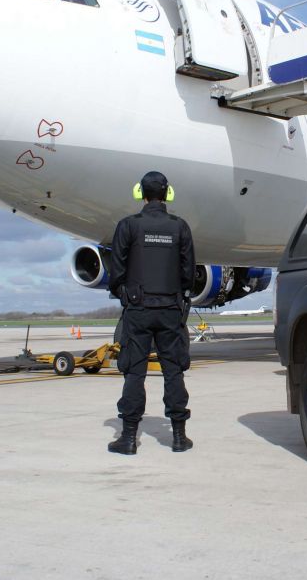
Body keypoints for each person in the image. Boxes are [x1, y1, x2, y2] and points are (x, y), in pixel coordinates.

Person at [107, 171, 195, 455]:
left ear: (140, 193)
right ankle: (179, 437)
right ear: (168, 193)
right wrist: (180, 295)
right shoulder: (180, 227)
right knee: (174, 371)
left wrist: (122, 292)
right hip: (170, 309)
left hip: (139, 309)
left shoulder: (128, 226)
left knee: (134, 372)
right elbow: (188, 271)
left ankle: (129, 438)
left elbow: (117, 269)